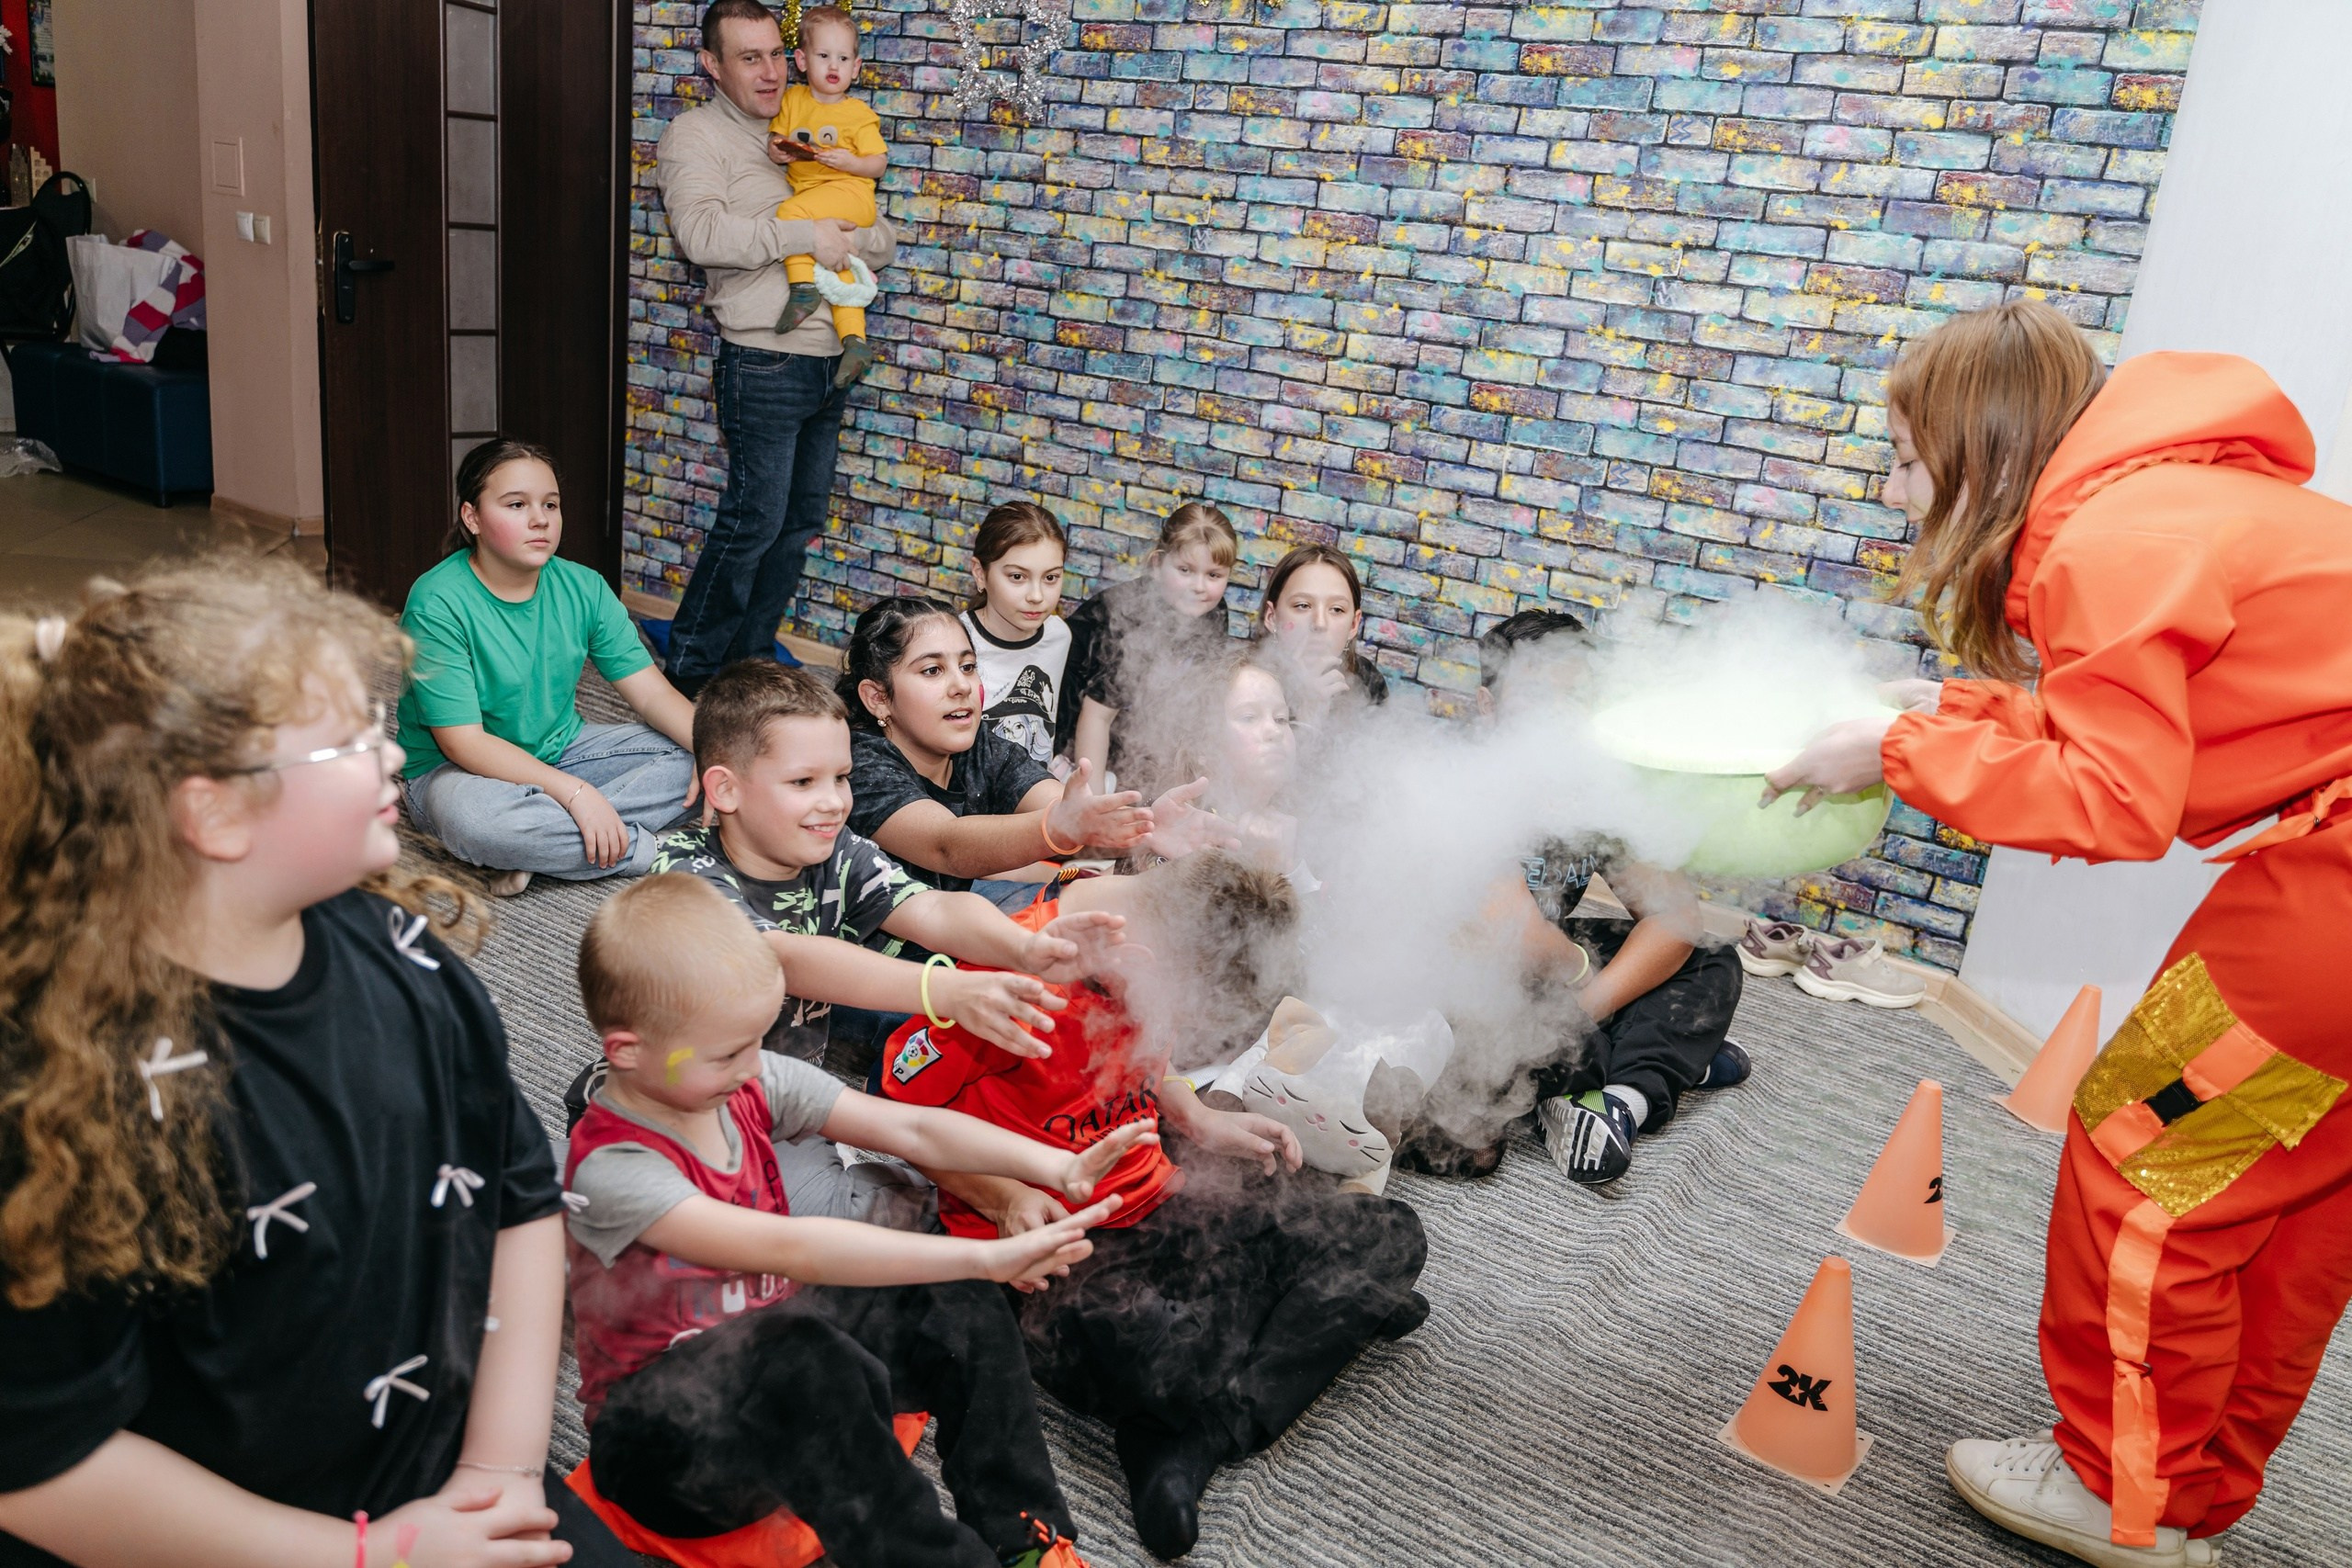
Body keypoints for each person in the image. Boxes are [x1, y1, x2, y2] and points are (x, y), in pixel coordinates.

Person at [1764, 301, 2352, 1568]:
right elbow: (2129, 720)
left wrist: (1898, 748)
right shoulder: (2171, 499)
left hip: (2340, 874)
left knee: (2147, 1148)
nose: (1893, 486)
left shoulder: (2114, 540)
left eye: (1907, 458)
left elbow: (2117, 799)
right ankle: (2186, 1483)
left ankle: (2117, 1490)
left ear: (1982, 449)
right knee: (2289, 1200)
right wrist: (1941, 705)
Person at [0, 555, 629, 1567]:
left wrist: (502, 1474)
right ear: (212, 813)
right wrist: (376, 1556)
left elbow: (519, 1199)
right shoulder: (55, 1094)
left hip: (448, 1473)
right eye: (350, 741)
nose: (392, 758)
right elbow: (43, 1461)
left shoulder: (406, 954)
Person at [565, 874, 1136, 1568]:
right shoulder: (612, 1169)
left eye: (756, 1042)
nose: (754, 1067)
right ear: (625, 1050)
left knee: (952, 1299)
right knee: (803, 1350)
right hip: (664, 1452)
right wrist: (986, 1256)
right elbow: (792, 1246)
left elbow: (911, 1128)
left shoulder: (744, 1077)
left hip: (788, 1368)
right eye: (726, 1053)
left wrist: (1054, 1168)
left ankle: (1029, 1542)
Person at [881, 852, 1429, 1562]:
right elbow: (901, 1114)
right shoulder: (1008, 975)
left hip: (1155, 1190)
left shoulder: (1155, 940)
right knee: (1171, 1355)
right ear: (1150, 955)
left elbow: (1150, 1054)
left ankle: (1195, 1438)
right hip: (1058, 1243)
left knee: (1392, 1236)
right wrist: (1005, 1195)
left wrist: (1195, 1117)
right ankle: (1303, 1330)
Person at [630, 659, 1128, 1112]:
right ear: (724, 790)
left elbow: (933, 909)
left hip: (785, 1100)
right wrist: (945, 990)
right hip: (682, 1118)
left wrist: (1024, 949)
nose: (833, 802)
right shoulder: (683, 875)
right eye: (804, 783)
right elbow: (787, 960)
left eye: (841, 777)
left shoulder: (836, 849)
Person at [656, 0, 900, 698]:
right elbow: (701, 237)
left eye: (774, 55)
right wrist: (807, 236)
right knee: (752, 522)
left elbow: (881, 234)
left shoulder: (810, 124)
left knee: (797, 525)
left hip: (833, 359)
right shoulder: (695, 137)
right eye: (748, 57)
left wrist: (849, 233)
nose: (768, 72)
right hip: (763, 360)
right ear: (712, 64)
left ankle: (752, 654)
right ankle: (693, 674)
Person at [1460, 610, 1748, 1186]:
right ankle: (1658, 1062)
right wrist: (1585, 981)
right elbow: (1507, 928)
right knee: (1484, 1088)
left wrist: (1583, 1008)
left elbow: (1674, 915)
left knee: (1710, 957)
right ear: (1487, 709)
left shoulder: (1590, 785)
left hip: (1551, 986)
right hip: (1463, 992)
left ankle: (1617, 1102)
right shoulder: (1460, 778)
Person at [398, 438, 697, 896]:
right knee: (479, 823)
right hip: (454, 771)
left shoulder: (586, 587)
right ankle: (650, 851)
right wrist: (576, 794)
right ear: (472, 518)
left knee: (700, 757)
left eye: (550, 504)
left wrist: (721, 755)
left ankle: (542, 848)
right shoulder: (436, 601)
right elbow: (463, 743)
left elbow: (653, 695)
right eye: (516, 504)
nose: (540, 519)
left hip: (561, 749)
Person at [842, 596, 1215, 907]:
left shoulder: (979, 747)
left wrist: (1143, 826)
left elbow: (1064, 808)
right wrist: (1058, 828)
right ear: (877, 698)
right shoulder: (858, 764)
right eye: (932, 671)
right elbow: (946, 846)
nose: (961, 686)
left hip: (954, 921)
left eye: (968, 666)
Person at [1056, 502, 1239, 793]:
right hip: (1067, 733)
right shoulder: (1130, 619)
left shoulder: (1214, 613)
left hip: (1126, 731)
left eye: (1214, 575)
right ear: (1156, 565)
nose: (1200, 587)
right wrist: (1094, 808)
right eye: (1185, 570)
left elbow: (1189, 700)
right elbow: (1097, 718)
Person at [763, 6, 884, 391]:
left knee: (790, 214)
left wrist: (851, 162)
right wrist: (778, 152)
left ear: (856, 67)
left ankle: (802, 290)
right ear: (801, 60)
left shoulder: (858, 114)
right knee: (839, 271)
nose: (834, 65)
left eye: (843, 58)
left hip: (851, 196)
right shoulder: (794, 100)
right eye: (823, 56)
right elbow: (776, 140)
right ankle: (855, 343)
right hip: (819, 198)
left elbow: (878, 165)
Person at [960, 501, 1072, 769]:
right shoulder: (955, 642)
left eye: (1050, 578)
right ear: (980, 574)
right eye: (1017, 577)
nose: (1036, 596)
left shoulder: (1059, 637)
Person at [1254, 543, 1388, 723]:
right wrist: (1305, 713)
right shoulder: (1243, 683)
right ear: (1272, 617)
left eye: (1336, 609)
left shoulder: (1367, 680)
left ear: (1353, 625)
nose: (1319, 623)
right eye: (1302, 606)